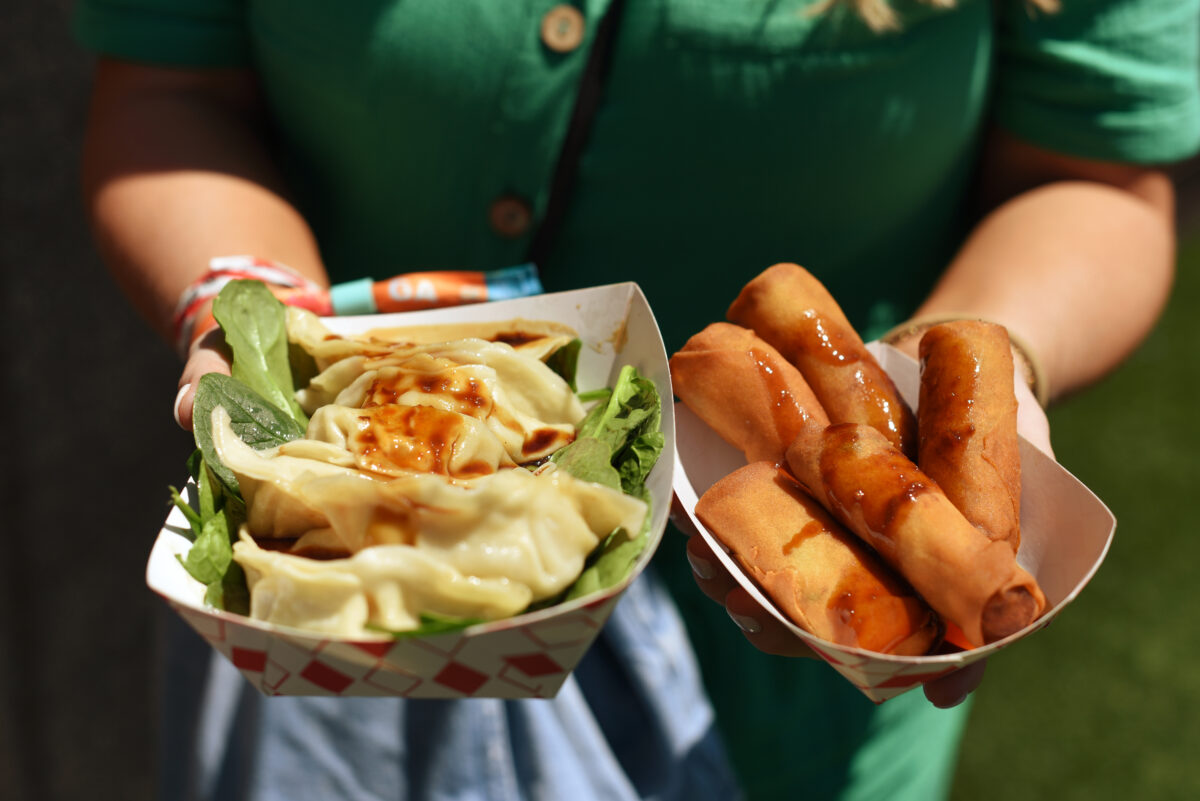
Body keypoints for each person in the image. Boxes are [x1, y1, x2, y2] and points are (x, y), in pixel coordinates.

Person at [76, 0, 1199, 798]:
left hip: (814, 667)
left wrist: (988, 373)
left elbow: (1093, 174)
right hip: (339, 626)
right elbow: (172, 86)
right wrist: (249, 312)